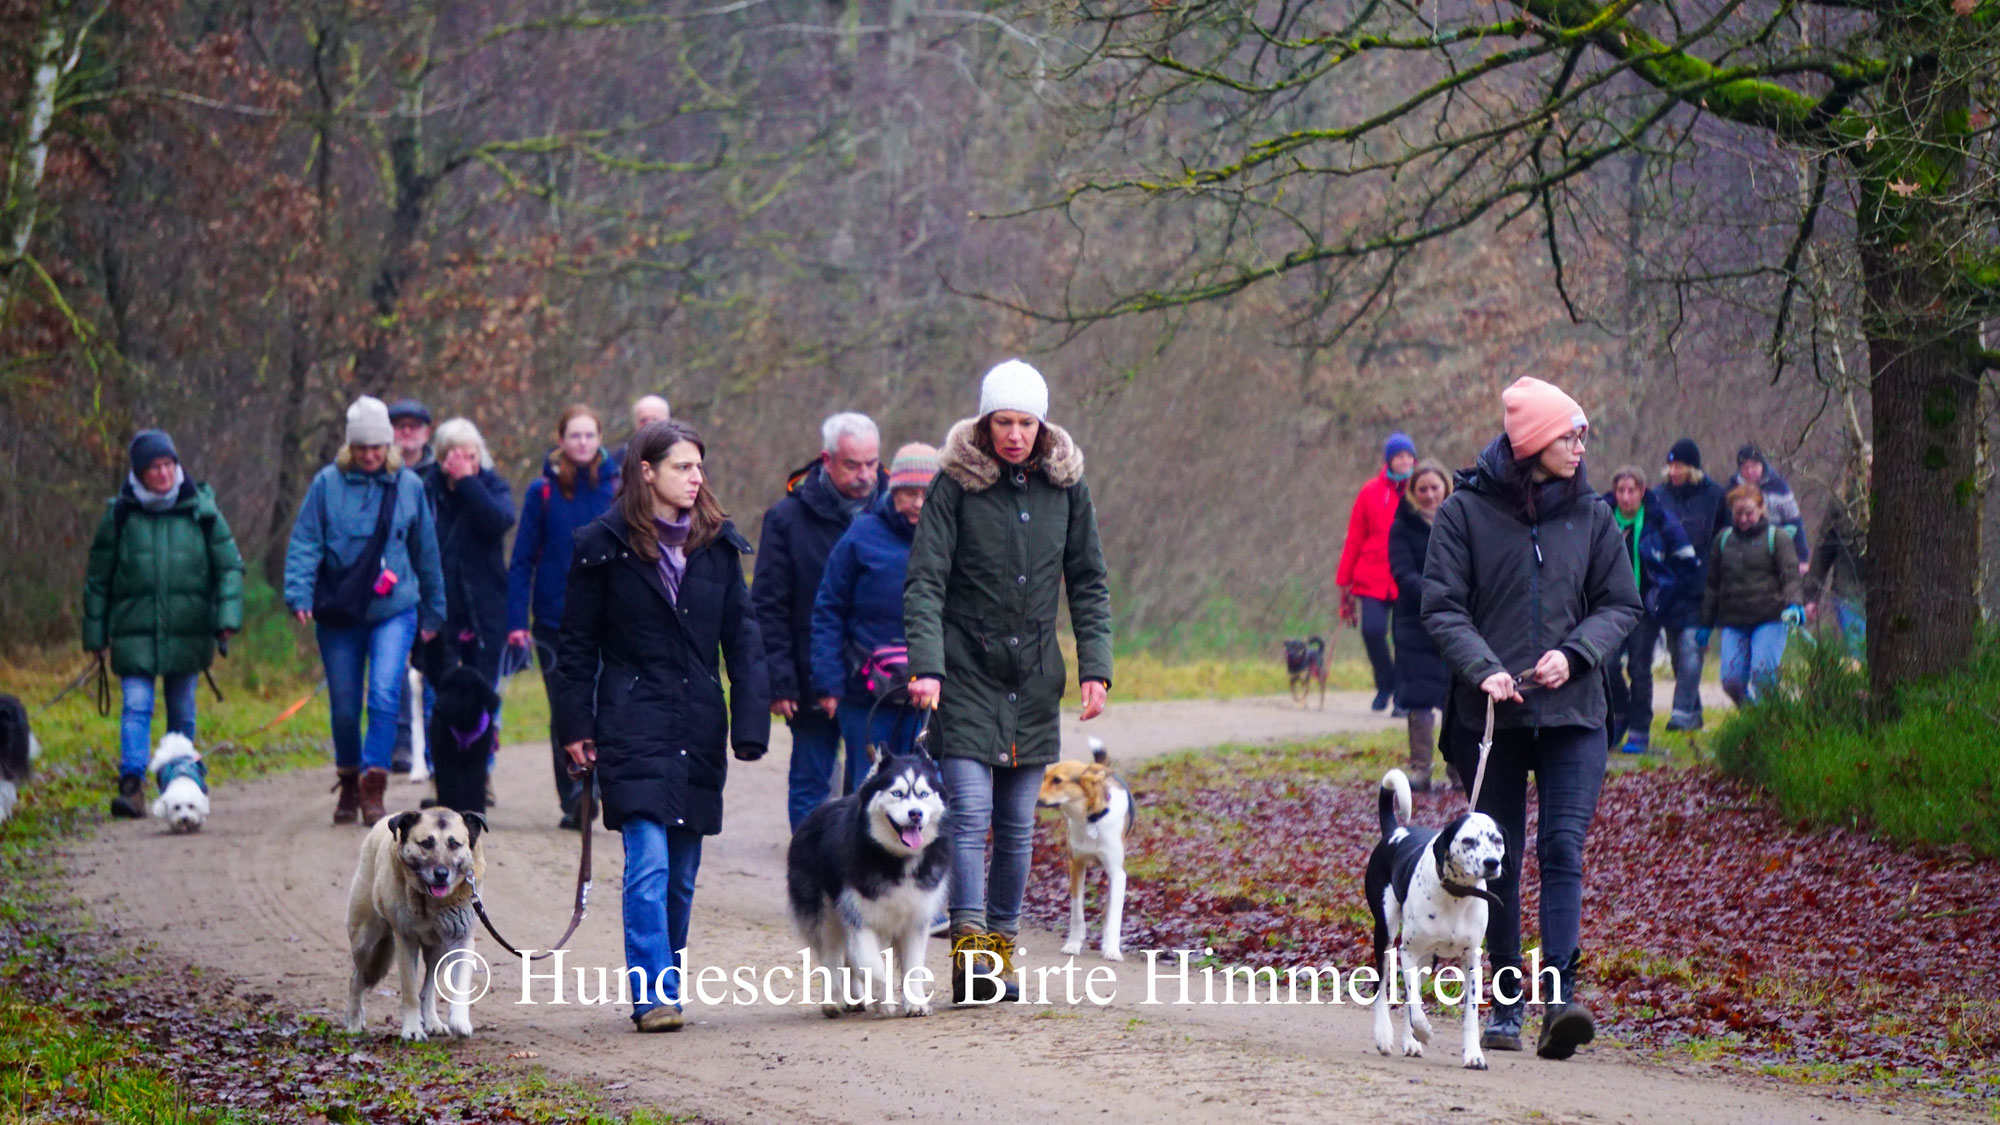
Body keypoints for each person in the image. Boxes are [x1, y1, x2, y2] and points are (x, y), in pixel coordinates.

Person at [1421, 376, 1640, 1061]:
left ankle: (1560, 1001)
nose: (1581, 446)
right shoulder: (1464, 513)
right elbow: (1441, 606)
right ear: (1536, 442)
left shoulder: (1595, 516)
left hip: (1576, 712)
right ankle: (1507, 1004)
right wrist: (1484, 665)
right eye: (1570, 434)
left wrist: (1576, 653)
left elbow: (1621, 604)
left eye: (1582, 435)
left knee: (1562, 849)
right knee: (1498, 858)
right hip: (1490, 716)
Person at [904, 359, 1113, 1006]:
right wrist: (927, 665)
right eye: (1004, 421)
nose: (1015, 434)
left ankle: (998, 952)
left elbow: (1088, 579)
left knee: (1018, 825)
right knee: (968, 817)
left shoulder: (1066, 486)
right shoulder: (952, 485)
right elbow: (926, 581)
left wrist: (1095, 666)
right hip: (964, 674)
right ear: (985, 421)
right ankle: (969, 958)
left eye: (1025, 422)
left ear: (1041, 423)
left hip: (1032, 681)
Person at [550, 420, 769, 1033]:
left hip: (697, 723)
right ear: (646, 471)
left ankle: (665, 983)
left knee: (682, 875)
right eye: (682, 466)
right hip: (630, 718)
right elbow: (575, 649)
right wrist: (575, 725)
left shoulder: (719, 546)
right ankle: (651, 997)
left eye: (700, 466)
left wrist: (750, 721)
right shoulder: (601, 545)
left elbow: (744, 641)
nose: (696, 477)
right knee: (646, 862)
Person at [284, 396, 445, 826]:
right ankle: (349, 778)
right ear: (350, 447)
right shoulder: (326, 485)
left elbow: (426, 552)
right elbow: (305, 542)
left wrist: (434, 612)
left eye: (377, 446)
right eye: (362, 448)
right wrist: (298, 593)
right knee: (343, 704)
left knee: (385, 694)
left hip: (394, 608)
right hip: (339, 609)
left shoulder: (408, 485)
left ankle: (375, 785)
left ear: (389, 445)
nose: (370, 455)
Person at [82, 430, 245, 819]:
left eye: (168, 464)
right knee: (137, 706)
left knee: (182, 710)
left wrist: (226, 619)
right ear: (139, 472)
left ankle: (181, 778)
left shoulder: (201, 510)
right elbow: (98, 579)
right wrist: (95, 632)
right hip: (132, 630)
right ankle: (132, 784)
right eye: (154, 467)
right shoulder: (119, 514)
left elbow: (229, 569)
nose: (163, 473)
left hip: (188, 630)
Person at [752, 412, 885, 833]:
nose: (865, 475)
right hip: (811, 672)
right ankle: (811, 886)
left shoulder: (897, 513)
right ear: (827, 460)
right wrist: (780, 680)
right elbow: (768, 605)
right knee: (812, 782)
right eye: (853, 464)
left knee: (874, 785)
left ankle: (860, 888)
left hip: (879, 676)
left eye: (872, 463)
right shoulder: (787, 519)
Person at [507, 404, 621, 829]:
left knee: (606, 702)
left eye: (590, 435)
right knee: (566, 709)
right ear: (561, 440)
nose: (583, 443)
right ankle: (575, 794)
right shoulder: (544, 492)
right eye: (575, 436)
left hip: (611, 619)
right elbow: (521, 560)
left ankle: (604, 786)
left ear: (600, 439)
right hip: (555, 621)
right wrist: (516, 622)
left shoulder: (616, 488)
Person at [809, 443, 939, 788]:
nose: (917, 503)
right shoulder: (861, 535)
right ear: (892, 491)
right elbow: (828, 610)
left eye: (927, 493)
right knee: (867, 790)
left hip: (930, 693)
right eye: (908, 493)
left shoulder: (950, 539)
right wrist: (828, 682)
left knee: (925, 791)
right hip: (865, 694)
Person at [418, 417, 516, 696]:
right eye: (457, 458)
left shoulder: (493, 486)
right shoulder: (428, 492)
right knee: (442, 692)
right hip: (443, 608)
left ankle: (486, 738)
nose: (465, 464)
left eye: (471, 457)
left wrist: (468, 484)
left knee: (485, 693)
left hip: (485, 610)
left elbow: (498, 521)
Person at [1600, 468, 1695, 755]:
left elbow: (1686, 560)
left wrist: (1666, 594)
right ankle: (1620, 711)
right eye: (1621, 491)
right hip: (1609, 607)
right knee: (1605, 665)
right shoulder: (1602, 519)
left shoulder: (1659, 519)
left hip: (1645, 607)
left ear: (1642, 492)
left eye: (1631, 491)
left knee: (1639, 668)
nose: (1626, 497)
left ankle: (1640, 728)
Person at [1698, 484, 1803, 705]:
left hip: (1770, 619)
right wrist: (1705, 624)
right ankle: (1752, 718)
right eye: (1738, 514)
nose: (1744, 519)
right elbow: (1713, 585)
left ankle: (1768, 725)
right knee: (1731, 681)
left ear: (1761, 509)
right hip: (1734, 621)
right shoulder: (1723, 540)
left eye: (1749, 513)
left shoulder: (1778, 537)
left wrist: (1794, 604)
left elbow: (1791, 575)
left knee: (1763, 677)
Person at [1647, 439, 1726, 732]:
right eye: (1670, 465)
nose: (1673, 471)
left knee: (1692, 647)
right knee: (1678, 654)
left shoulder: (1716, 496)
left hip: (1701, 584)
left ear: (1692, 468)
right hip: (1668, 586)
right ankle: (1693, 713)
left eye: (1678, 465)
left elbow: (1725, 537)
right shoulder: (1658, 496)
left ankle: (1680, 713)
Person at [1386, 459, 1454, 792]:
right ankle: (1421, 770)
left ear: (1446, 488)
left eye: (1434, 488)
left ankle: (1460, 771)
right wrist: (1435, 593)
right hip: (1415, 623)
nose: (1429, 495)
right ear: (1413, 492)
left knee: (1457, 701)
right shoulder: (1401, 527)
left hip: (1456, 622)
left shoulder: (1459, 522)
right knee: (1420, 701)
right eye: (1422, 489)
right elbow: (1402, 573)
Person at [1337, 432, 1415, 712]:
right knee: (1372, 631)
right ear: (1389, 461)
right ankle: (1385, 684)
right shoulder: (1370, 491)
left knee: (1406, 638)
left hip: (1408, 576)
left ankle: (1403, 698)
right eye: (1399, 456)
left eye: (1408, 456)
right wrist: (1344, 580)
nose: (1405, 461)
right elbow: (1355, 537)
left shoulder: (1422, 489)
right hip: (1372, 575)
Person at [388, 397, 436, 771]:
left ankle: (434, 745)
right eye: (399, 425)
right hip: (391, 584)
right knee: (395, 667)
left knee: (430, 664)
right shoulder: (381, 474)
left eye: (413, 426)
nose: (406, 433)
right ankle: (401, 741)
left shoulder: (439, 474)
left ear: (426, 432)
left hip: (429, 578)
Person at [1804, 452, 1869, 659]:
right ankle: (1859, 689)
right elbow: (1823, 552)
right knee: (1858, 652)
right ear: (1851, 471)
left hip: (1887, 595)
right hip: (1848, 593)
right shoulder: (1840, 505)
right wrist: (1811, 597)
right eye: (1864, 466)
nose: (1869, 472)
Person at [1723, 444, 1809, 575]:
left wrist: (1802, 557)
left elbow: (1795, 521)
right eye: (1745, 467)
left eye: (1754, 466)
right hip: (1740, 551)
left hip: (1776, 549)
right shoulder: (1732, 489)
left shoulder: (1779, 487)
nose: (1750, 471)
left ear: (1762, 465)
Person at [608, 394, 671, 468]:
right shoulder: (623, 457)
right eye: (643, 420)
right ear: (635, 423)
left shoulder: (680, 452)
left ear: (667, 421)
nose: (649, 424)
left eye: (655, 420)